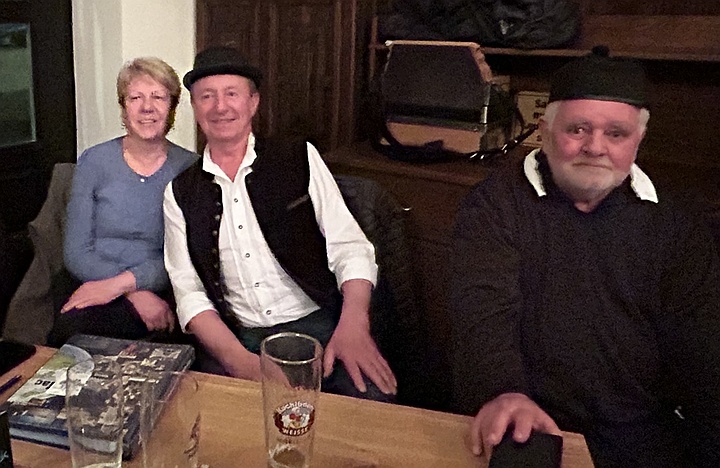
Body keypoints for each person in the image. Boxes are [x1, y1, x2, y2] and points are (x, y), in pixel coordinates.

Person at [450, 46, 720, 467]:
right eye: (578, 129)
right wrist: (504, 391)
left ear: (638, 140)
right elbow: (482, 315)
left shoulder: (676, 222)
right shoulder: (494, 206)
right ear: (545, 131)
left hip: (645, 430)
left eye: (616, 134)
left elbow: (703, 345)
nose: (595, 147)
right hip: (530, 420)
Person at [163, 46, 397, 401]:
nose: (220, 107)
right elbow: (189, 292)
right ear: (195, 108)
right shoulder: (180, 192)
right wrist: (240, 362)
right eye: (207, 96)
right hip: (238, 338)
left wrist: (354, 324)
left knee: (372, 405)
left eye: (232, 94)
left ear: (253, 102)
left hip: (322, 324)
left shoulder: (299, 157)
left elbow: (349, 247)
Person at [47, 57, 198, 347]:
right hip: (92, 282)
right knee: (71, 338)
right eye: (135, 98)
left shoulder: (190, 168)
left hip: (162, 287)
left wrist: (127, 285)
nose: (147, 107)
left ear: (172, 107)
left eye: (158, 97)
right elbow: (76, 252)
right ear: (123, 107)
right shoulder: (93, 161)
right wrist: (131, 291)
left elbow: (187, 255)